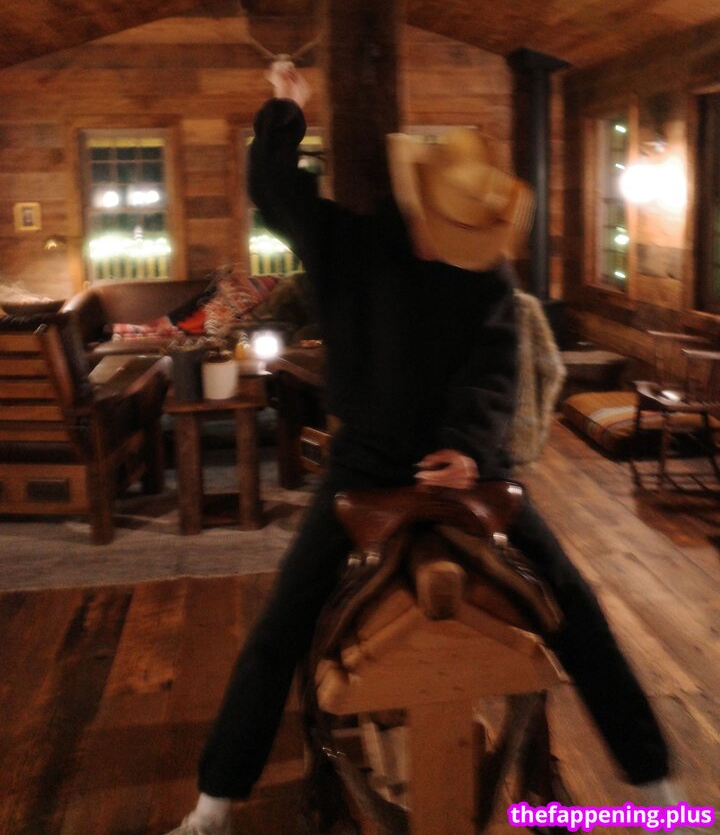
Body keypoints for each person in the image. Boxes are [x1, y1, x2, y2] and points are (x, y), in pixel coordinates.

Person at [166, 66, 684, 835]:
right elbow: (273, 188)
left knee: (573, 603)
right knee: (284, 621)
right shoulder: (347, 242)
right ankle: (215, 802)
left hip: (470, 465)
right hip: (368, 461)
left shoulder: (486, 271)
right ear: (417, 203)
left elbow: (495, 370)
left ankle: (653, 784)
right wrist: (287, 107)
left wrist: (469, 449)